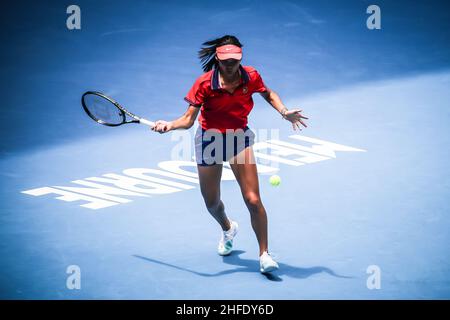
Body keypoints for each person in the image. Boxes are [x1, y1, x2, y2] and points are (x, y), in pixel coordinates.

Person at [152, 35, 308, 273]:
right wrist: (169, 125)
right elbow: (187, 120)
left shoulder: (251, 76)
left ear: (240, 58)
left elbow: (269, 93)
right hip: (209, 140)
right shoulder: (204, 83)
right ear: (217, 58)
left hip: (238, 138)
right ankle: (227, 228)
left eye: (235, 59)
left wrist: (284, 111)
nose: (230, 64)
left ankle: (264, 254)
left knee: (253, 200)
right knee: (212, 203)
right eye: (225, 60)